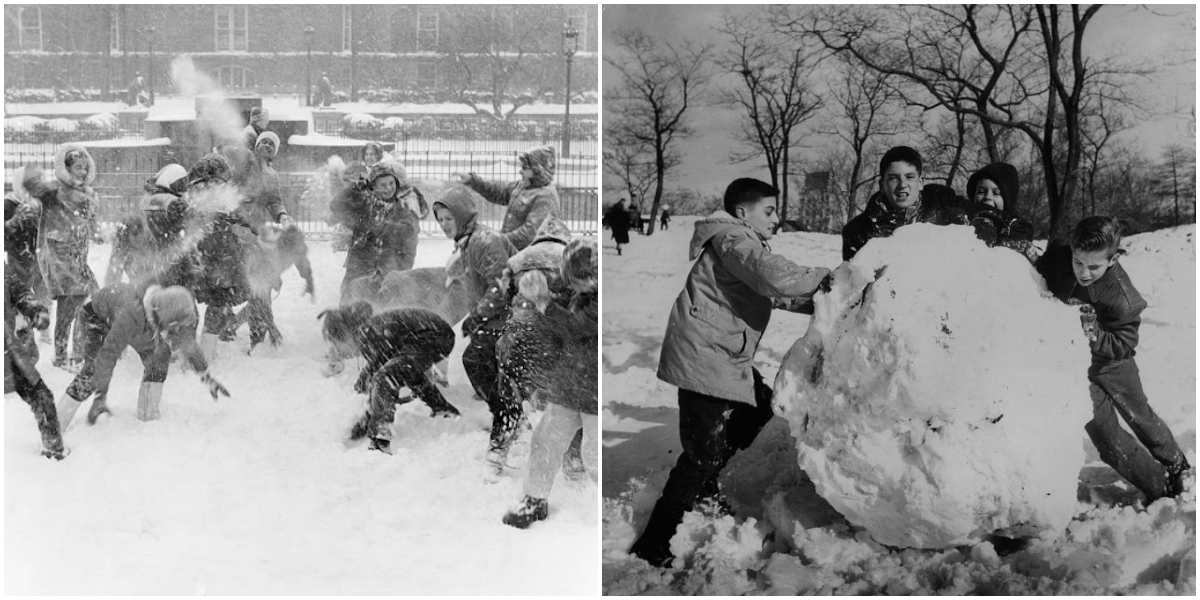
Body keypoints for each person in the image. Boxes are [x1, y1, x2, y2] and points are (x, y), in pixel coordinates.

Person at [628, 178, 832, 568]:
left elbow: (773, 291)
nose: (777, 219)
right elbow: (770, 272)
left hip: (721, 355)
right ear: (743, 212)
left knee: (757, 409)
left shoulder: (738, 244)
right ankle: (653, 542)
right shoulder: (735, 241)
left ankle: (705, 487)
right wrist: (828, 278)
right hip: (706, 357)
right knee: (701, 455)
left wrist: (826, 301)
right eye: (769, 211)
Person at [1035, 216, 1190, 505]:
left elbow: (1125, 344)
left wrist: (1095, 335)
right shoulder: (1060, 259)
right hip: (1079, 369)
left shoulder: (1124, 297)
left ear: (1113, 259)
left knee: (1140, 416)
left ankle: (1177, 466)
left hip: (1115, 365)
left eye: (1094, 266)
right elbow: (1037, 269)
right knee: (1106, 439)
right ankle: (1158, 486)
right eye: (1078, 262)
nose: (1083, 272)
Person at [503, 237, 599, 528]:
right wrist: (540, 300)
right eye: (575, 279)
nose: (577, 284)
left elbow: (577, 327)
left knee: (594, 457)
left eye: (583, 278)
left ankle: (609, 504)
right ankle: (534, 499)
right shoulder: (579, 296)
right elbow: (560, 329)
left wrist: (545, 303)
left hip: (594, 394)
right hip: (571, 387)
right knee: (544, 441)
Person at [55, 284, 229, 429]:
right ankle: (56, 430)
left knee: (160, 355)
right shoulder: (131, 315)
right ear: (169, 318)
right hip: (96, 317)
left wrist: (206, 376)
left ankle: (148, 416)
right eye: (177, 325)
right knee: (92, 371)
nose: (178, 330)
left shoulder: (161, 311)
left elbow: (186, 341)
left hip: (139, 322)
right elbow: (108, 355)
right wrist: (100, 396)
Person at [431, 186, 518, 470]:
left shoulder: (484, 241)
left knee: (476, 360)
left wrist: (476, 317)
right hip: (491, 318)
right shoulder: (466, 244)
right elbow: (466, 288)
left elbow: (502, 285)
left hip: (509, 317)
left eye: (449, 218)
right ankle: (508, 411)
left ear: (463, 216)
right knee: (484, 363)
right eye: (440, 219)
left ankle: (509, 416)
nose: (444, 225)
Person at [327, 303, 461, 453]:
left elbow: (379, 374)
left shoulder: (369, 333)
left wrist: (363, 421)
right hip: (435, 335)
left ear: (346, 335)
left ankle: (380, 439)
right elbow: (376, 365)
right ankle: (444, 410)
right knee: (406, 372)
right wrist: (360, 387)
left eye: (336, 343)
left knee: (387, 377)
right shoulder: (371, 330)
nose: (338, 349)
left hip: (432, 336)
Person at [24, 143, 101, 371]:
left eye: (85, 167)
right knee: (72, 305)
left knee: (89, 303)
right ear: (66, 168)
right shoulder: (56, 191)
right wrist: (32, 177)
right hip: (60, 260)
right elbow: (36, 189)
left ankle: (76, 353)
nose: (83, 172)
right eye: (78, 167)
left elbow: (87, 223)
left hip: (77, 260)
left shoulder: (85, 194)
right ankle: (62, 355)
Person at [841, 145, 970, 261]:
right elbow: (852, 282)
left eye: (909, 177)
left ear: (920, 182)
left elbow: (981, 211)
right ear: (882, 185)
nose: (902, 185)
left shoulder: (942, 208)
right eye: (893, 178)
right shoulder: (857, 231)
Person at [187, 153, 258, 357]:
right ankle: (207, 351)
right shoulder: (213, 192)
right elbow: (230, 216)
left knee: (201, 302)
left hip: (203, 256)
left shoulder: (192, 192)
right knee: (218, 302)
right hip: (219, 257)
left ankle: (192, 349)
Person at [328, 158, 427, 302]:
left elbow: (407, 231)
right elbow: (336, 205)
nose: (388, 188)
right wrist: (354, 189)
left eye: (391, 183)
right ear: (373, 186)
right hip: (359, 262)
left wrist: (379, 226)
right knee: (350, 301)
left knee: (381, 305)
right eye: (383, 185)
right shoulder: (365, 200)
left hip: (387, 264)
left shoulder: (402, 206)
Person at [105, 164, 204, 292]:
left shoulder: (142, 209)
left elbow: (115, 266)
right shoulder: (173, 205)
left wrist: (110, 291)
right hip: (172, 283)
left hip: (144, 284)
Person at [5, 268, 66, 460]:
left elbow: (18, 289)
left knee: (43, 397)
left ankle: (54, 451)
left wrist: (34, 308)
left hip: (8, 351)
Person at [459, 144, 560, 251]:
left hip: (527, 259)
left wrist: (495, 241)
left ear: (538, 170)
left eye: (525, 168)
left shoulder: (545, 197)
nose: (520, 171)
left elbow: (528, 235)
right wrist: (473, 181)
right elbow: (498, 192)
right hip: (511, 251)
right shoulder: (523, 186)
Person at [963, 162, 1037, 260]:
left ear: (1008, 200)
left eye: (996, 193)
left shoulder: (1017, 225)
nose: (988, 197)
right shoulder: (966, 212)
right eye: (981, 192)